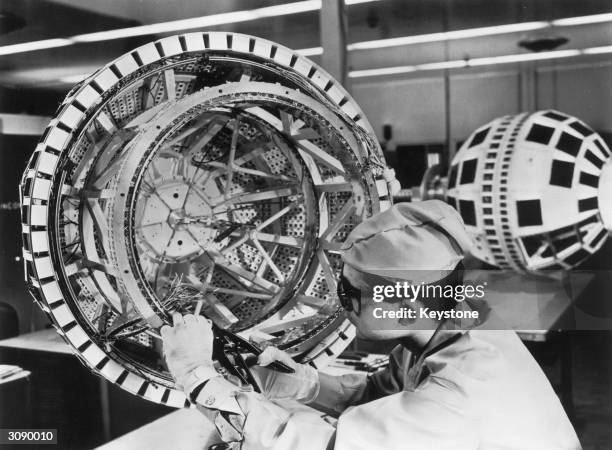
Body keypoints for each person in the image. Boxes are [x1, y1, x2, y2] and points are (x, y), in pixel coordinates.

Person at [161, 200, 581, 449]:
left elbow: (321, 447)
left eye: (349, 295)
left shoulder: (460, 398)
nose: (342, 308)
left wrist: (197, 375)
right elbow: (380, 394)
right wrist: (305, 385)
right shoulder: (454, 327)